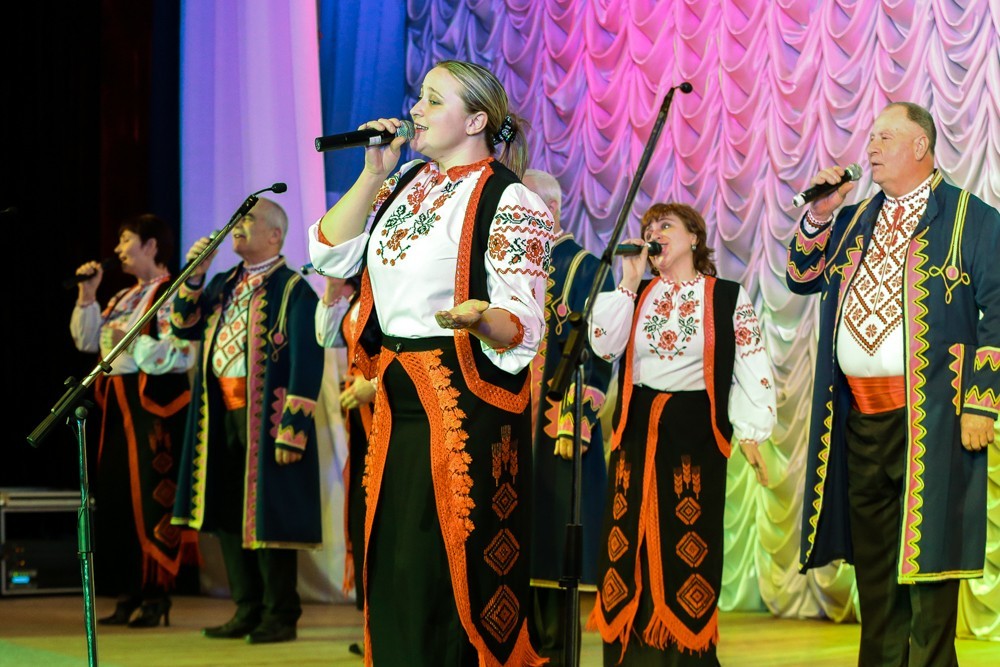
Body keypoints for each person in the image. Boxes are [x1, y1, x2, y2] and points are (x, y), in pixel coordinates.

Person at [307, 59, 553, 665]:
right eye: (419, 97)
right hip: (398, 398)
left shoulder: (510, 197)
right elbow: (330, 255)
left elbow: (523, 323)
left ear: (475, 121)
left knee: (444, 561)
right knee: (393, 557)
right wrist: (372, 173)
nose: (415, 109)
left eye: (433, 100)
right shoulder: (404, 183)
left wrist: (480, 318)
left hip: (464, 398)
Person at [786, 102, 999, 666]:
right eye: (872, 137)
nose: (872, 147)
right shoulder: (855, 219)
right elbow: (801, 277)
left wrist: (981, 402)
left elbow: (998, 313)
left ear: (920, 146)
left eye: (885, 137)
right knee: (877, 572)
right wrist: (820, 216)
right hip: (860, 419)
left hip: (933, 420)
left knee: (930, 571)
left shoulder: (972, 219)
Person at [587, 203, 775, 665]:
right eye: (649, 228)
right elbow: (602, 345)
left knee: (687, 545)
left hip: (693, 439)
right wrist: (628, 282)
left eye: (666, 226)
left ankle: (683, 655)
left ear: (694, 237)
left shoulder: (726, 296)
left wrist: (751, 433)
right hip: (637, 433)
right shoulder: (636, 294)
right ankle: (631, 655)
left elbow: (750, 363)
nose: (655, 233)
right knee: (628, 546)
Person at [170, 197, 324, 645]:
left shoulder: (293, 289)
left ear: (275, 235)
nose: (237, 226)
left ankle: (280, 613)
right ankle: (246, 607)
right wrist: (195, 275)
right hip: (219, 413)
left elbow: (307, 361)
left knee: (270, 516)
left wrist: (292, 431)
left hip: (268, 420)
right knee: (226, 511)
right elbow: (183, 325)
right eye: (236, 220)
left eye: (248, 220)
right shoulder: (222, 283)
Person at [70, 213, 199, 628]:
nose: (118, 249)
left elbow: (182, 351)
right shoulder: (123, 297)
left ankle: (157, 594)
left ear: (151, 245)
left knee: (151, 499)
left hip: (154, 410)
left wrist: (131, 351)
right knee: (117, 498)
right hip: (118, 407)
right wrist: (88, 294)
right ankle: (128, 591)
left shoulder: (173, 291)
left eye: (126, 239)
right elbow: (88, 342)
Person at [520, 168, 614, 664]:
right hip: (512, 425)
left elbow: (597, 353)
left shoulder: (585, 267)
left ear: (551, 209)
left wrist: (575, 422)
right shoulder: (510, 265)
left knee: (554, 545)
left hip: (556, 426)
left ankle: (556, 654)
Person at [315, 274, 372, 658]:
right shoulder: (357, 297)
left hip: (395, 410)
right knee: (363, 516)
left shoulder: (395, 285)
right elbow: (326, 336)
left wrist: (376, 383)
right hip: (365, 418)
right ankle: (374, 626)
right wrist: (333, 288)